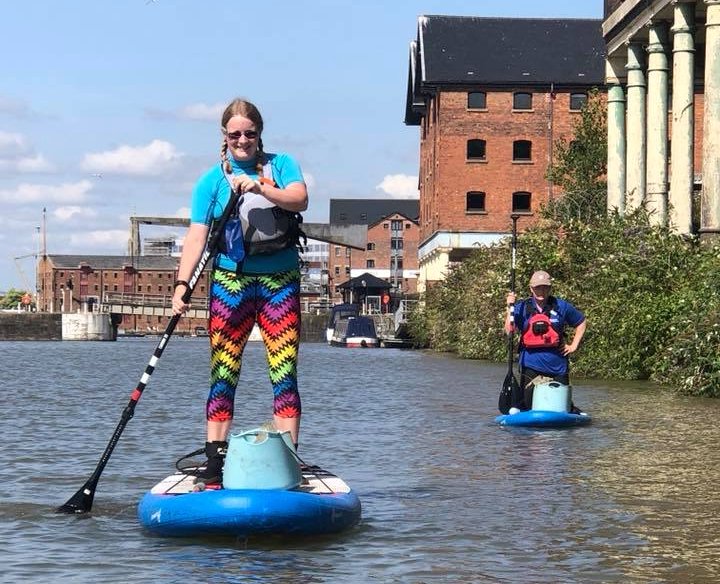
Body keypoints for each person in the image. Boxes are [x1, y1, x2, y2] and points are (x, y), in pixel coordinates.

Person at [172, 98, 308, 484]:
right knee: (224, 372)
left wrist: (262, 187)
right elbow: (197, 236)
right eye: (235, 134)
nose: (243, 140)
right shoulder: (210, 181)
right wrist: (182, 285)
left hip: (279, 283)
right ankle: (215, 465)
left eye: (249, 133)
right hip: (230, 283)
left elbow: (300, 198)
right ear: (224, 136)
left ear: (259, 133)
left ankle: (287, 463)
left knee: (284, 374)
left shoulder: (281, 166)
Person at [504, 270, 587, 413]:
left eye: (544, 287)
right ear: (531, 288)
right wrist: (509, 308)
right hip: (530, 365)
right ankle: (522, 408)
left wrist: (573, 345)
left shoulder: (562, 306)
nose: (541, 291)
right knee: (529, 404)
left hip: (557, 366)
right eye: (537, 287)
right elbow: (509, 331)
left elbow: (581, 322)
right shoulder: (521, 307)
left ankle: (571, 410)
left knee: (562, 406)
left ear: (549, 288)